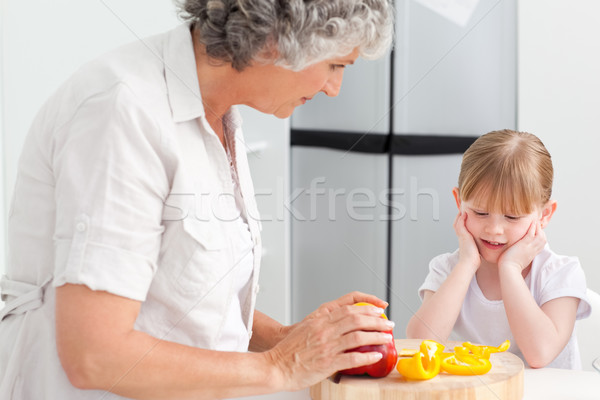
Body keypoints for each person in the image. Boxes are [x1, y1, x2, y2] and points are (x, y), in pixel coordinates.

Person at [0, 0, 395, 398]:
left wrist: (286, 339)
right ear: (277, 40)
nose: (333, 89)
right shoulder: (124, 111)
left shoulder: (217, 113)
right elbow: (95, 355)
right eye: (336, 65)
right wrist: (282, 365)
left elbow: (176, 291)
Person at [406, 129, 591, 369]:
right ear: (459, 203)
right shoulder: (449, 269)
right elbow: (420, 343)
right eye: (480, 213)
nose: (494, 229)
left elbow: (540, 354)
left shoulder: (561, 274)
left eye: (512, 217)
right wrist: (466, 265)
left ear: (544, 215)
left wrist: (510, 269)